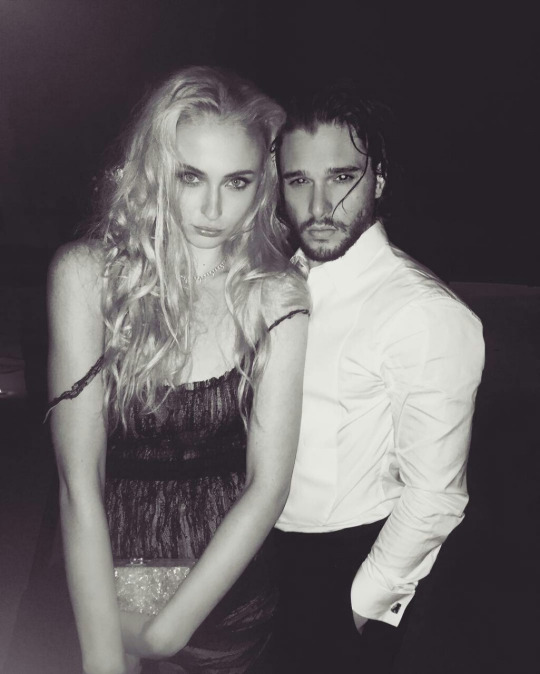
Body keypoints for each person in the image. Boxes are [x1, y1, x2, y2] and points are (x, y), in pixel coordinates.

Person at [46, 66, 309, 674]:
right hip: (106, 586)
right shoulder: (87, 278)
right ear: (155, 168)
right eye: (190, 176)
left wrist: (167, 633)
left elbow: (268, 485)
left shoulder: (276, 295)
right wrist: (103, 656)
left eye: (237, 182)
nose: (213, 209)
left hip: (226, 596)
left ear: (262, 184)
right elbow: (77, 481)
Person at [272, 84, 485, 673]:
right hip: (262, 551)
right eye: (298, 180)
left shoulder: (422, 312)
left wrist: (356, 606)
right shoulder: (279, 281)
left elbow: (436, 496)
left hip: (345, 561)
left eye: (342, 177)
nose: (319, 205)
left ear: (379, 180)